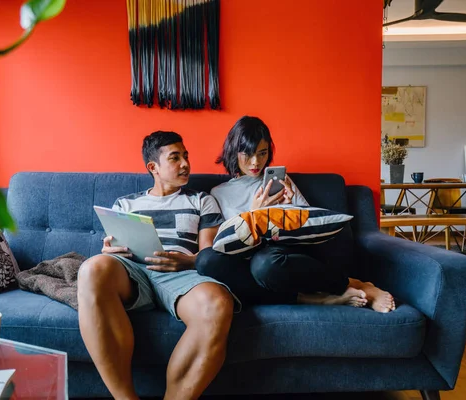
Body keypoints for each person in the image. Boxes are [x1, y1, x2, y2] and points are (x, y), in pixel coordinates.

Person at [77, 131, 241, 400]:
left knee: (219, 304)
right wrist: (107, 252)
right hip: (132, 271)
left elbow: (207, 253)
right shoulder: (126, 204)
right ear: (153, 167)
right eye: (175, 158)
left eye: (186, 156)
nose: (186, 164)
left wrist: (187, 260)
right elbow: (110, 253)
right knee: (92, 269)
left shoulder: (201, 200)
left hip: (181, 274)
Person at [196, 116, 395, 313]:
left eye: (262, 153)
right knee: (207, 261)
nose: (256, 162)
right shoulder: (219, 193)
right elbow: (221, 245)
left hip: (282, 257)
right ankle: (316, 299)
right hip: (244, 264)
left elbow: (311, 231)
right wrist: (254, 215)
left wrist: (290, 207)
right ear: (233, 151)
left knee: (265, 264)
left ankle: (356, 284)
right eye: (247, 154)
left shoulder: (279, 183)